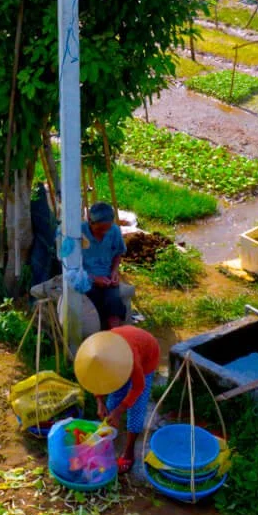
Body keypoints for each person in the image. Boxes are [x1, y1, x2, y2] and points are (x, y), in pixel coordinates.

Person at [95, 325, 162, 471]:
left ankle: (129, 452)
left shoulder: (130, 359)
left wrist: (119, 411)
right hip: (130, 341)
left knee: (136, 407)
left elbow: (138, 387)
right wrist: (99, 401)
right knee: (113, 399)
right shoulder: (97, 355)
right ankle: (108, 438)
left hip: (147, 353)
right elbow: (96, 379)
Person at [79, 200, 127, 329]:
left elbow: (118, 253)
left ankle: (115, 334)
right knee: (93, 301)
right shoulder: (79, 233)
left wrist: (114, 272)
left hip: (107, 278)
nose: (104, 232)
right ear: (90, 222)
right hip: (84, 279)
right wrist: (93, 279)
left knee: (114, 302)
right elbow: (71, 268)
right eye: (100, 229)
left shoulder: (114, 231)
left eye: (107, 229)